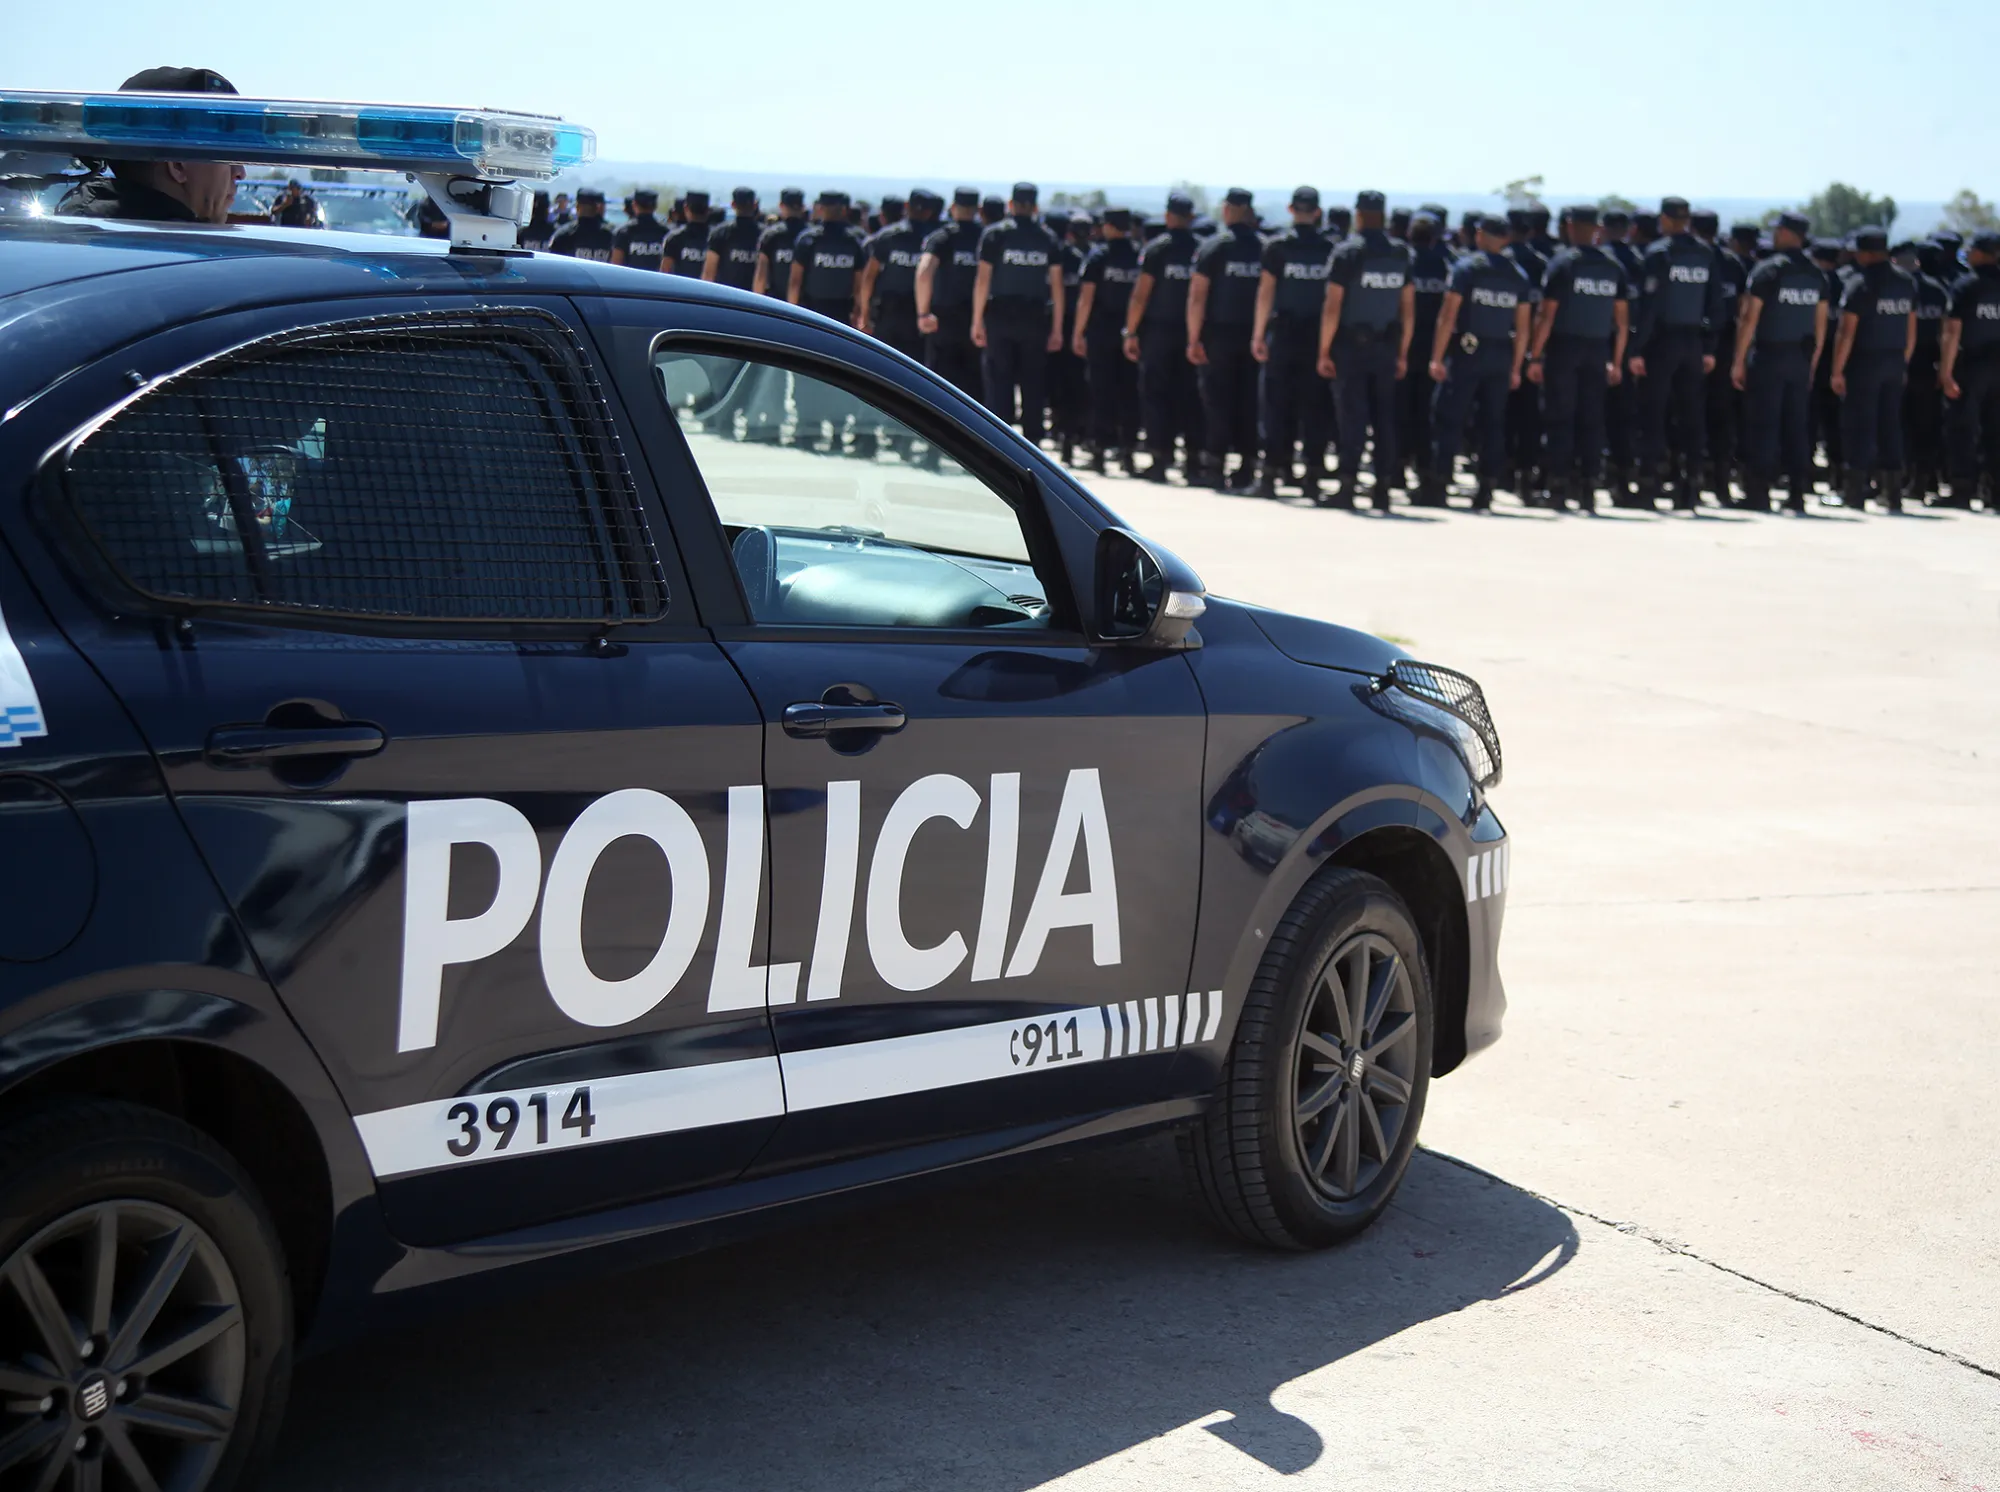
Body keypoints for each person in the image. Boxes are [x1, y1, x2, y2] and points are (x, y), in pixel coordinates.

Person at [1422, 215, 1532, 510]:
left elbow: (1448, 316)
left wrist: (1436, 358)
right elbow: (1523, 327)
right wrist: (1516, 367)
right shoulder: (1517, 275)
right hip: (1501, 354)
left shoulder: (1467, 268)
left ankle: (1439, 485)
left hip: (1467, 353)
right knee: (1492, 423)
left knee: (1448, 418)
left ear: (1480, 234)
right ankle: (1486, 488)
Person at [1527, 205, 1631, 512]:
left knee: (1560, 418)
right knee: (1591, 420)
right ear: (1597, 228)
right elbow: (1622, 321)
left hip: (1564, 348)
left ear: (1570, 226)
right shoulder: (1613, 267)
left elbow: (1546, 314)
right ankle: (1588, 488)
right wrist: (1616, 360)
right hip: (1598, 349)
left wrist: (1535, 355)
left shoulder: (1563, 263)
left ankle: (1558, 487)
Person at [1317, 189, 1414, 508]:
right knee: (1384, 419)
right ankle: (1382, 489)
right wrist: (1403, 352)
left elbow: (1333, 306)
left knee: (1352, 417)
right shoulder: (1400, 253)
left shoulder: (1348, 253)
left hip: (1351, 348)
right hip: (1386, 347)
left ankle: (1348, 485)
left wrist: (1324, 350)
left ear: (1358, 215)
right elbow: (1408, 308)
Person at [1629, 196, 1725, 509]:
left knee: (1653, 414)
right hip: (1694, 344)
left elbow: (1649, 306)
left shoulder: (1659, 253)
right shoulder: (1705, 253)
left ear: (1666, 220)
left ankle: (1649, 486)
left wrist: (1637, 348)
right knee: (1691, 416)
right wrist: (1709, 348)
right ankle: (1690, 487)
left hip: (1662, 343)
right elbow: (1715, 305)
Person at [56, 67, 244, 223]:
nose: (240, 172)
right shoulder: (184, 250)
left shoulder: (76, 227)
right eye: (225, 153)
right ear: (178, 164)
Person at [1731, 212, 1827, 513]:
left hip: (1770, 356)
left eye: (1778, 230)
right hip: (1800, 359)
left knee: (1764, 425)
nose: (1774, 235)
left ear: (1787, 233)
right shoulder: (1816, 274)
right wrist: (1812, 364)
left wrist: (1738, 360)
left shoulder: (1768, 270)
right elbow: (1820, 325)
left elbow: (1750, 318)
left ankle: (1759, 493)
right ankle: (1797, 493)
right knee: (1796, 427)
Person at [1252, 186, 1337, 498]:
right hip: (1317, 336)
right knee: (1315, 408)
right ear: (1317, 211)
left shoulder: (1277, 247)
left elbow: (1266, 292)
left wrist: (1258, 334)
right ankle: (1312, 476)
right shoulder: (1330, 248)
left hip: (1284, 336)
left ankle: (1270, 475)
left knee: (1276, 406)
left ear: (1291, 209)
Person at [1829, 226, 1918, 510]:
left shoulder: (1859, 284)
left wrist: (1837, 370)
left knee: (1859, 426)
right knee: (1890, 425)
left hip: (1864, 363)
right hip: (1894, 361)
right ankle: (1892, 495)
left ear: (1865, 253)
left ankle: (1854, 494)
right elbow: (1911, 328)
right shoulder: (1906, 281)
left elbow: (1846, 332)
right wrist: (1903, 362)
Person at [972, 182, 1065, 447]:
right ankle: (1032, 442)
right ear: (1035, 207)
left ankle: (999, 442)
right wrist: (1057, 329)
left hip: (1000, 318)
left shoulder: (995, 235)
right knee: (1033, 382)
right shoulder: (1047, 238)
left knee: (999, 381)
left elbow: (983, 280)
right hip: (1035, 319)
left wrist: (977, 320)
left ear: (1011, 204)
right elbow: (1057, 287)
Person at [1187, 188, 1266, 490]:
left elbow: (1197, 296)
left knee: (1217, 402)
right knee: (1249, 402)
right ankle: (1247, 466)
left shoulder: (1214, 247)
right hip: (1254, 337)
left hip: (1219, 337)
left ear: (1228, 209)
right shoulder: (1264, 248)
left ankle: (1215, 466)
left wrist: (1193, 338)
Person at [1126, 192, 1203, 481]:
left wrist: (1130, 331)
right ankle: (1193, 461)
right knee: (1191, 396)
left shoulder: (1157, 249)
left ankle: (1160, 459)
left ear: (1168, 215)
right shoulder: (1201, 248)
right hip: (1192, 333)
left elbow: (1141, 295)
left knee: (1157, 396)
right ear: (1191, 217)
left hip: (1159, 333)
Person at [1073, 206, 1143, 472]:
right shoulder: (1138, 255)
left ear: (1109, 226)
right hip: (1131, 332)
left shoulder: (1099, 256)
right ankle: (1128, 452)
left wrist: (1078, 332)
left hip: (1101, 332)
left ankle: (1099, 451)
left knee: (1101, 392)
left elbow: (1086, 298)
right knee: (1129, 393)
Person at [1939, 230, 2000, 508]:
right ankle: (1995, 494)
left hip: (1972, 368)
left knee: (1963, 429)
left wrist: (1946, 373)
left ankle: (1962, 490)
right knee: (1995, 430)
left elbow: (1952, 331)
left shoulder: (1966, 286)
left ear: (1980, 253)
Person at [1400, 209, 1454, 494]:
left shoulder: (1402, 262)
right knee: (1428, 415)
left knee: (1399, 411)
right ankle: (1426, 472)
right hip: (1436, 350)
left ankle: (1396, 469)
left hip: (1403, 348)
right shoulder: (1449, 265)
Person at [916, 188, 985, 396]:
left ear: (953, 207)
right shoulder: (985, 237)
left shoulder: (941, 238)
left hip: (943, 320)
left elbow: (924, 272)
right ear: (977, 209)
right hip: (976, 321)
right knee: (975, 387)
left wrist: (923, 313)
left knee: (940, 387)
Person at [858, 187, 939, 360]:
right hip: (919, 313)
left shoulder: (888, 235)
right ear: (930, 211)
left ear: (907, 206)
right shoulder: (935, 238)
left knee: (882, 362)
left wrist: (864, 313)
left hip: (888, 313)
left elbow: (869, 276)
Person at [1904, 240, 1953, 505]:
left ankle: (1908, 480)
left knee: (1903, 425)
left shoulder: (1904, 286)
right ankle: (1923, 480)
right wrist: (1945, 369)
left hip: (1905, 364)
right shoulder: (1939, 291)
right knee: (1926, 426)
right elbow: (1947, 333)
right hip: (1930, 366)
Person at [788, 191, 867, 322]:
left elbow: (795, 281)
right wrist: (860, 313)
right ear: (844, 210)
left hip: (812, 311)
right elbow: (859, 282)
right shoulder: (856, 240)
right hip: (843, 311)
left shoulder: (808, 239)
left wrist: (792, 313)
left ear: (820, 209)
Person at [702, 188, 764, 290]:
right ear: (755, 205)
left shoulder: (720, 233)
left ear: (733, 204)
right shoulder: (765, 234)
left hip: (726, 295)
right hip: (756, 297)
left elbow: (709, 274)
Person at [754, 187, 809, 299]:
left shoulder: (770, 235)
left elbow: (761, 276)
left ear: (781, 206)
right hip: (807, 304)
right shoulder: (810, 236)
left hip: (776, 302)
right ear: (803, 207)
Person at [546, 187, 615, 261]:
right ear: (597, 208)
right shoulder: (612, 234)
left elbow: (553, 263)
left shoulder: (563, 234)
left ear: (577, 206)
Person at [612, 188, 670, 272]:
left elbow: (616, 265)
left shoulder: (624, 231)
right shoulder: (665, 232)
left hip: (631, 279)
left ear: (634, 205)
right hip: (657, 280)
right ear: (655, 206)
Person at [656, 190, 710, 276]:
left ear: (686, 208)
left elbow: (665, 271)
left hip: (681, 285)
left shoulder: (674, 237)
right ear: (708, 210)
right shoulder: (717, 237)